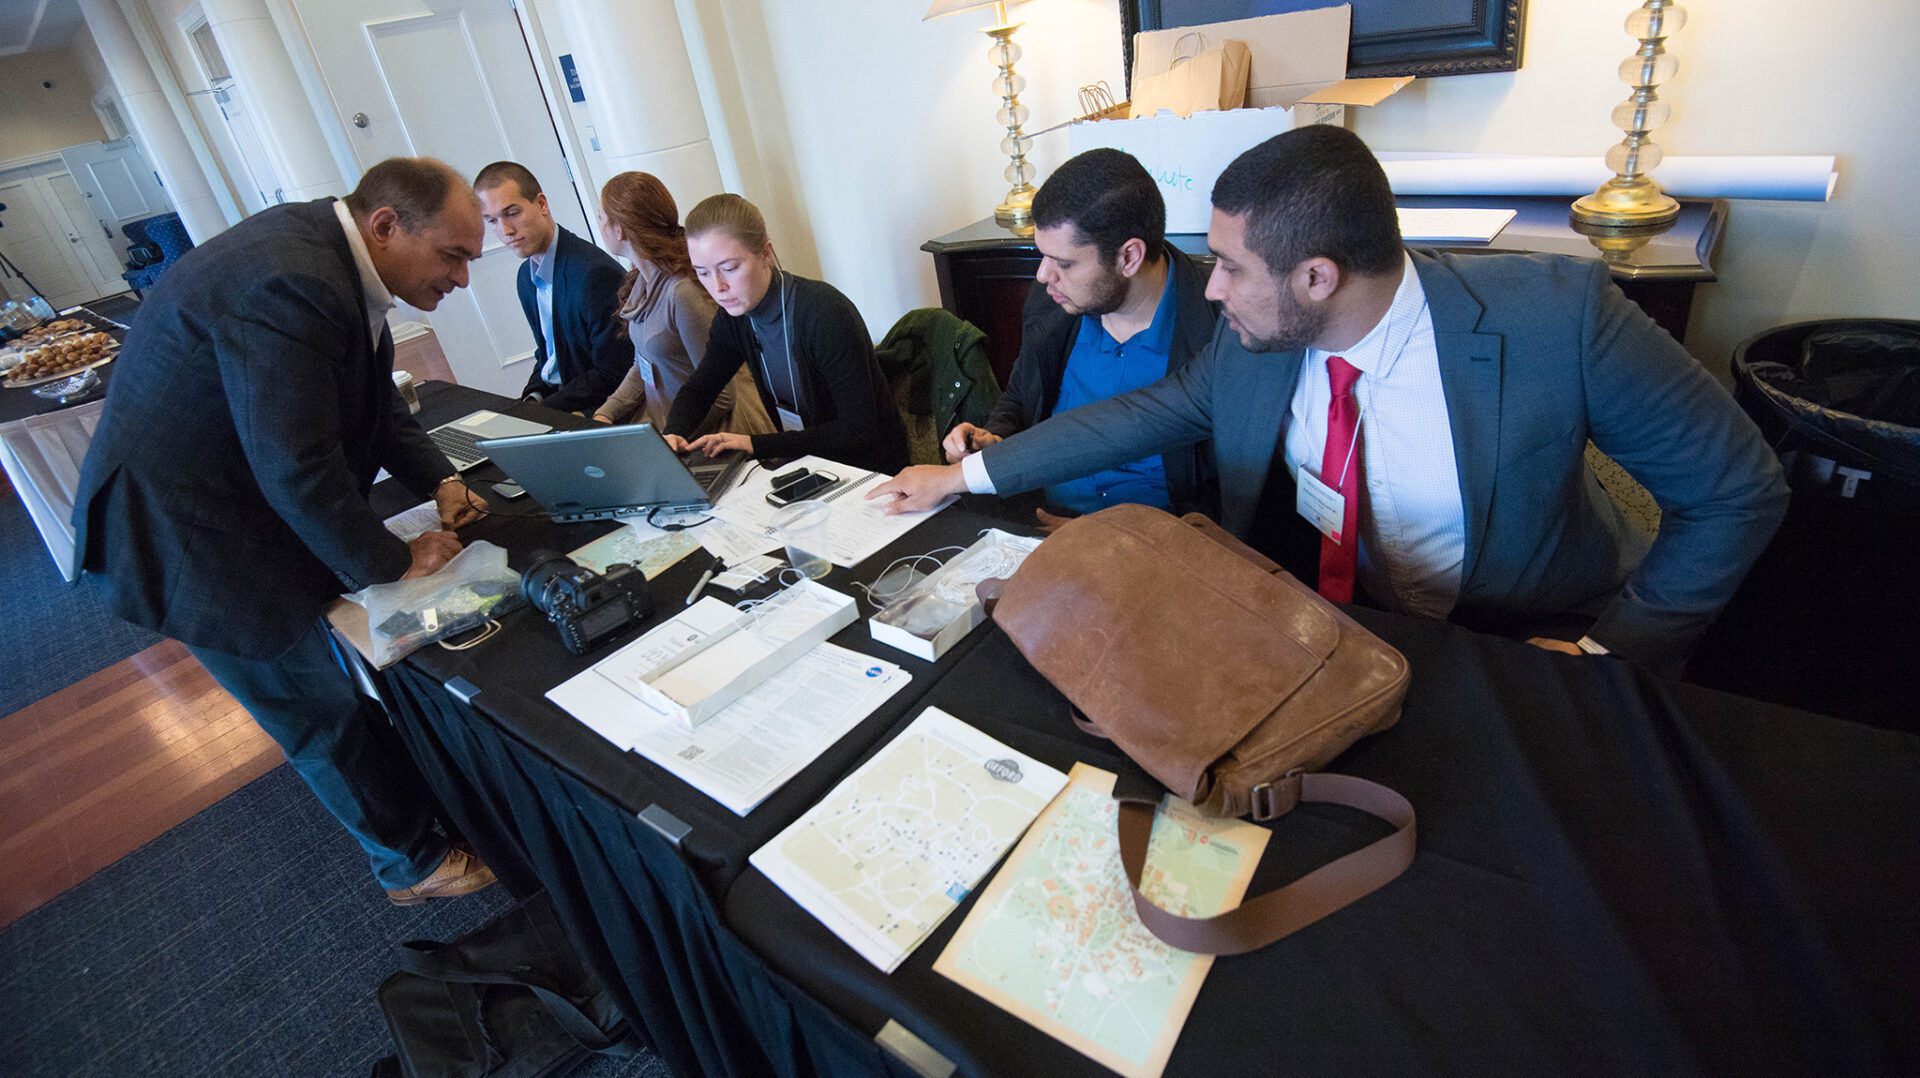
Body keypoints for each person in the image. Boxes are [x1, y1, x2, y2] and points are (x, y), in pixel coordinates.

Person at [873, 126, 1790, 673]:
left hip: (1528, 638)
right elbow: (1140, 416)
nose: (1213, 289)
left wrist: (1606, 656)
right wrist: (966, 477)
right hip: (1348, 631)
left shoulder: (1563, 317)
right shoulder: (1255, 346)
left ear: (1317, 275)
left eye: (1230, 267)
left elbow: (1738, 491)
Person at [71, 157, 499, 904]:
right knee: (313, 704)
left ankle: (419, 814)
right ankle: (412, 865)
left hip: (232, 504)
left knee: (337, 681)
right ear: (387, 226)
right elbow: (295, 467)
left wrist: (442, 479)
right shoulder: (291, 281)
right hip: (187, 537)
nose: (462, 281)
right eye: (454, 256)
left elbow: (375, 403)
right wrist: (395, 563)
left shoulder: (335, 261)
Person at [943, 148, 1217, 516]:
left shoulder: (1217, 326)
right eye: (1042, 255)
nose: (1042, 276)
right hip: (1042, 527)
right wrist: (995, 441)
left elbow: (1226, 494)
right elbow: (1020, 401)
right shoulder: (1053, 302)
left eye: (1064, 263)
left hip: (1160, 549)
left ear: (1129, 257)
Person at [661, 193, 909, 474]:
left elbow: (858, 431)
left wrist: (756, 444)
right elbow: (700, 388)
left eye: (729, 269)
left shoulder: (824, 313)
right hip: (810, 465)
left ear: (766, 253)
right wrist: (673, 433)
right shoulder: (735, 318)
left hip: (871, 469)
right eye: (702, 273)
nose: (718, 287)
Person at [587, 171, 773, 439]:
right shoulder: (641, 281)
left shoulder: (682, 292)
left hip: (715, 434)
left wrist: (672, 437)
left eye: (601, 217)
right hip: (672, 430)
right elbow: (644, 364)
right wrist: (607, 412)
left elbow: (722, 396)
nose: (600, 226)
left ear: (620, 229)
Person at [474, 161, 629, 413]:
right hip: (562, 401)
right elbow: (549, 354)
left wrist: (544, 411)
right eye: (492, 220)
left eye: (512, 213)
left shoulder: (594, 274)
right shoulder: (525, 276)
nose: (505, 231)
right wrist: (531, 399)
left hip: (598, 411)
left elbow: (613, 372)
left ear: (541, 204)